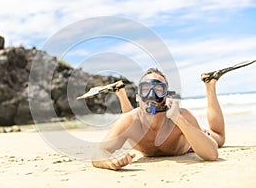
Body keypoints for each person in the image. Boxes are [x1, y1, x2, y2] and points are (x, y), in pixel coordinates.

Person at [92, 68, 225, 170]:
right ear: (138, 97)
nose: (152, 96)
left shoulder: (182, 116)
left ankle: (210, 84)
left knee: (219, 138)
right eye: (146, 90)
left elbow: (212, 154)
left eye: (158, 90)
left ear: (167, 95)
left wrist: (178, 119)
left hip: (191, 141)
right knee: (133, 120)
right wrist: (110, 162)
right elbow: (99, 152)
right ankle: (121, 93)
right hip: (137, 121)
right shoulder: (128, 121)